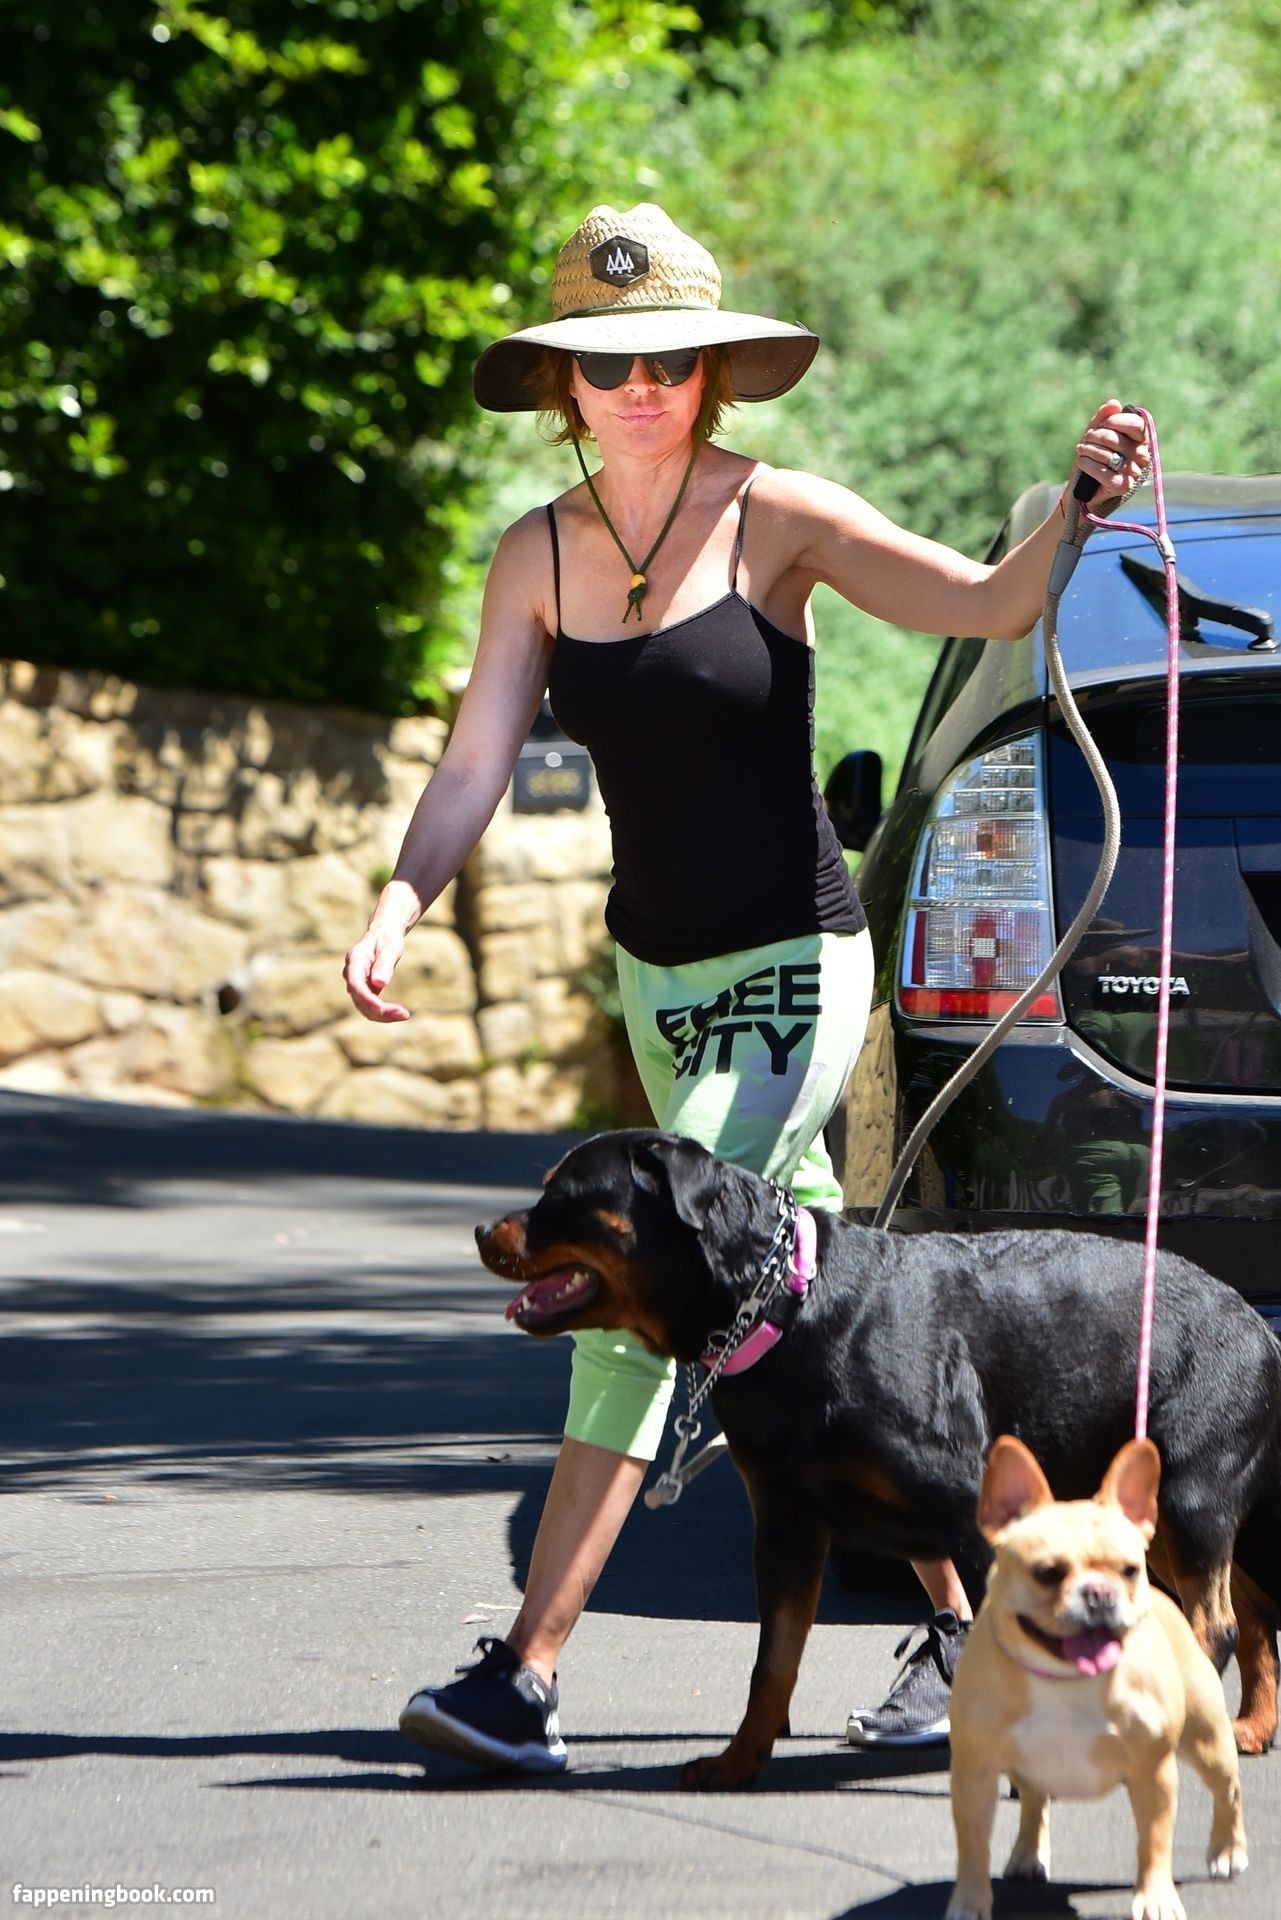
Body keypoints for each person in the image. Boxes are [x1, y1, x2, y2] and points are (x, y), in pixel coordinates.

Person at [342, 203, 1150, 1770]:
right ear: (563, 385)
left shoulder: (777, 516)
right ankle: (962, 1627)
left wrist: (1075, 505)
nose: (641, 386)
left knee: (635, 1282)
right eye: (608, 364)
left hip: (793, 962)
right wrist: (398, 900)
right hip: (659, 978)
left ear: (712, 373)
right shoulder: (536, 554)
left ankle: (525, 1675)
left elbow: (985, 603)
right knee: (806, 1303)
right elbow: (473, 762)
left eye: (672, 361)